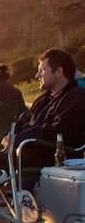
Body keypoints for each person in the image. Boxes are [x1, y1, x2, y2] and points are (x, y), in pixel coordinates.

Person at [7, 48, 85, 182]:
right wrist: (10, 135)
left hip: (50, 155)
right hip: (25, 150)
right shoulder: (43, 99)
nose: (37, 75)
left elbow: (60, 132)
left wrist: (20, 138)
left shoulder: (77, 97)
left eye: (42, 70)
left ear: (59, 72)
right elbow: (21, 121)